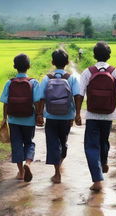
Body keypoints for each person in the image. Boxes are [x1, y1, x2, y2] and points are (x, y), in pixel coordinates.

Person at [75, 41, 116, 191]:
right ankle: (104, 161)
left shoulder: (88, 72)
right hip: (109, 114)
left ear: (94, 55)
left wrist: (77, 113)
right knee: (104, 140)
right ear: (109, 56)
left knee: (91, 146)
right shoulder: (115, 72)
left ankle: (97, 180)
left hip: (92, 114)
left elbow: (79, 95)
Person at [37, 49, 80, 184]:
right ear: (67, 63)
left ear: (52, 62)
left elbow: (41, 98)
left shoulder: (46, 78)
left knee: (53, 143)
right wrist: (77, 113)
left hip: (50, 116)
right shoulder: (71, 78)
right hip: (67, 117)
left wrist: (39, 114)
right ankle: (59, 164)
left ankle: (57, 173)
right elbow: (78, 96)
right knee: (63, 142)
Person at [0, 53, 40, 182]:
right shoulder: (33, 82)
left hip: (13, 119)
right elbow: (37, 101)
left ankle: (21, 172)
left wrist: (4, 118)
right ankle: (27, 164)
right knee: (29, 142)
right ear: (28, 66)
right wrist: (39, 115)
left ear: (14, 66)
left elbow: (5, 103)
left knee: (16, 144)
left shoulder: (9, 82)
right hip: (28, 119)